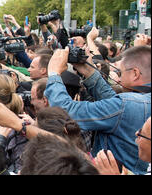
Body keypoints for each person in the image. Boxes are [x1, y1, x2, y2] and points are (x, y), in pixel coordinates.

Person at [45, 30, 151, 174]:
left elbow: (65, 111)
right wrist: (89, 72)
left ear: (135, 73)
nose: (118, 79)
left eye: (120, 72)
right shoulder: (136, 102)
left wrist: (54, 74)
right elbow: (117, 105)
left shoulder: (126, 104)